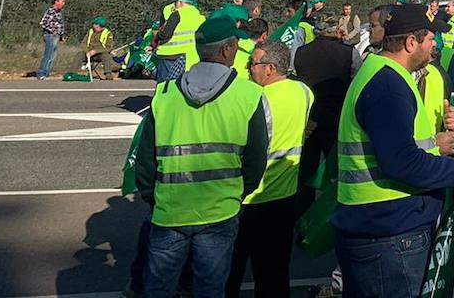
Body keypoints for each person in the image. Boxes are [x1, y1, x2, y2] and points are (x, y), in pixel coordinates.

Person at [332, 3, 454, 298]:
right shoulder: (388, 84)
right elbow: (402, 163)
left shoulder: (380, 73)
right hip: (388, 233)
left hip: (379, 226)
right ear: (411, 42)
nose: (435, 46)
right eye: (431, 39)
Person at [134, 16, 269, 298]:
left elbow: (145, 158)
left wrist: (153, 196)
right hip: (220, 210)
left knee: (158, 288)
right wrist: (237, 194)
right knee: (210, 288)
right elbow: (256, 161)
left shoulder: (165, 93)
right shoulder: (249, 94)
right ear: (226, 50)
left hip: (170, 209)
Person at [225, 40, 312, 298]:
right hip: (284, 197)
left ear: (270, 68)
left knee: (230, 272)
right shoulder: (305, 92)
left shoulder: (254, 98)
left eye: (252, 64)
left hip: (248, 197)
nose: (248, 68)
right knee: (274, 275)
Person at [294, 15, 355, 209]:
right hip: (337, 120)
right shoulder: (349, 53)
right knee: (336, 172)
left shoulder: (301, 52)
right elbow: (356, 82)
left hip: (308, 119)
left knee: (306, 171)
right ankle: (330, 216)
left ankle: (302, 217)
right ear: (337, 30)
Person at [152, 0, 204, 83]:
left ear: (180, 2)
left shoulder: (177, 14)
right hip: (190, 57)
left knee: (165, 86)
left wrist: (157, 36)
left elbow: (165, 34)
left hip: (170, 55)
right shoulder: (200, 17)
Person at [35, 0, 67, 80]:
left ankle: (47, 72)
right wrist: (53, 31)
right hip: (50, 36)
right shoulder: (51, 11)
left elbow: (60, 25)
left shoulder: (59, 13)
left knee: (53, 56)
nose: (63, 3)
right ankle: (41, 72)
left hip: (56, 37)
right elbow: (43, 23)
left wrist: (61, 36)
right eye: (62, 1)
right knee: (48, 55)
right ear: (56, 1)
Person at [82, 15, 114, 80]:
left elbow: (109, 47)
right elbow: (83, 43)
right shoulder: (90, 32)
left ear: (100, 26)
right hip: (88, 53)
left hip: (100, 54)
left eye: (95, 24)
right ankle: (72, 73)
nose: (93, 26)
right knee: (79, 54)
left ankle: (108, 73)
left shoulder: (108, 33)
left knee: (106, 56)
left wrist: (96, 51)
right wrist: (87, 51)